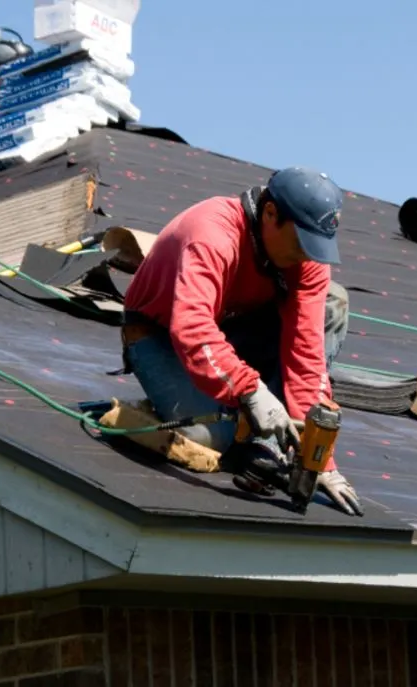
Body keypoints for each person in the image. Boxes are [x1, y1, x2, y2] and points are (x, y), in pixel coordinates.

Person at [119, 166, 363, 516]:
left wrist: (319, 457)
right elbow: (191, 328)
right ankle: (237, 428)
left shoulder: (305, 254)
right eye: (301, 244)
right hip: (161, 337)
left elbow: (307, 358)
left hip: (228, 332)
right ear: (269, 213)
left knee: (332, 301)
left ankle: (264, 438)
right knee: (215, 438)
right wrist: (250, 391)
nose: (307, 256)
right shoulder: (212, 234)